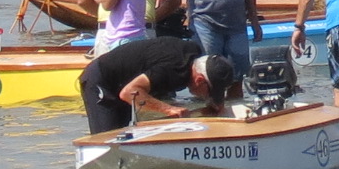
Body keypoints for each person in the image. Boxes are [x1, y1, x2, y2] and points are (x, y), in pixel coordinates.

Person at [76, 35, 238, 133]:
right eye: (209, 92)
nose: (207, 97)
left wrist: (216, 105)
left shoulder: (194, 57)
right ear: (200, 80)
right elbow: (129, 92)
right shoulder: (173, 69)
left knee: (123, 134)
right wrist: (168, 109)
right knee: (107, 139)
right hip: (102, 81)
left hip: (125, 83)